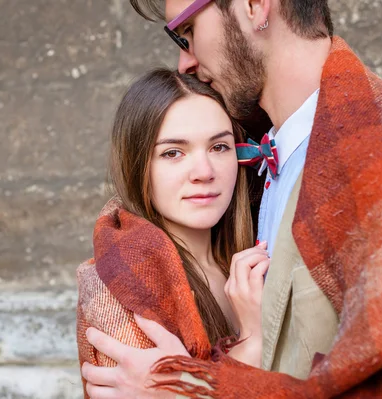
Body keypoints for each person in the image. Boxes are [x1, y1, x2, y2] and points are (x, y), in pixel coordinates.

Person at [81, 0, 382, 397]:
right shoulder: (262, 160)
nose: (184, 62)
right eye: (172, 153)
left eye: (187, 31)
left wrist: (198, 389)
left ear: (255, 5)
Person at [77, 69, 271, 398]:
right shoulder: (116, 283)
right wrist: (252, 344)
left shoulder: (255, 254)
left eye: (219, 147)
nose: (204, 172)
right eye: (172, 153)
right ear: (139, 166)